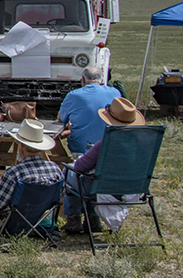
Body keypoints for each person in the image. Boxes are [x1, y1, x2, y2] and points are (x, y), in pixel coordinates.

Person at [62, 97, 145, 234]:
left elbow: (80, 167)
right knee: (90, 179)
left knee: (70, 172)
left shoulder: (107, 142)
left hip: (104, 189)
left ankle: (74, 219)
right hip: (131, 190)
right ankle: (92, 220)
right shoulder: (141, 144)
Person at [58, 66, 120, 157]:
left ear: (82, 79)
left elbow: (61, 120)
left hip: (82, 149)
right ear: (101, 79)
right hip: (110, 147)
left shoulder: (73, 95)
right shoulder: (115, 93)